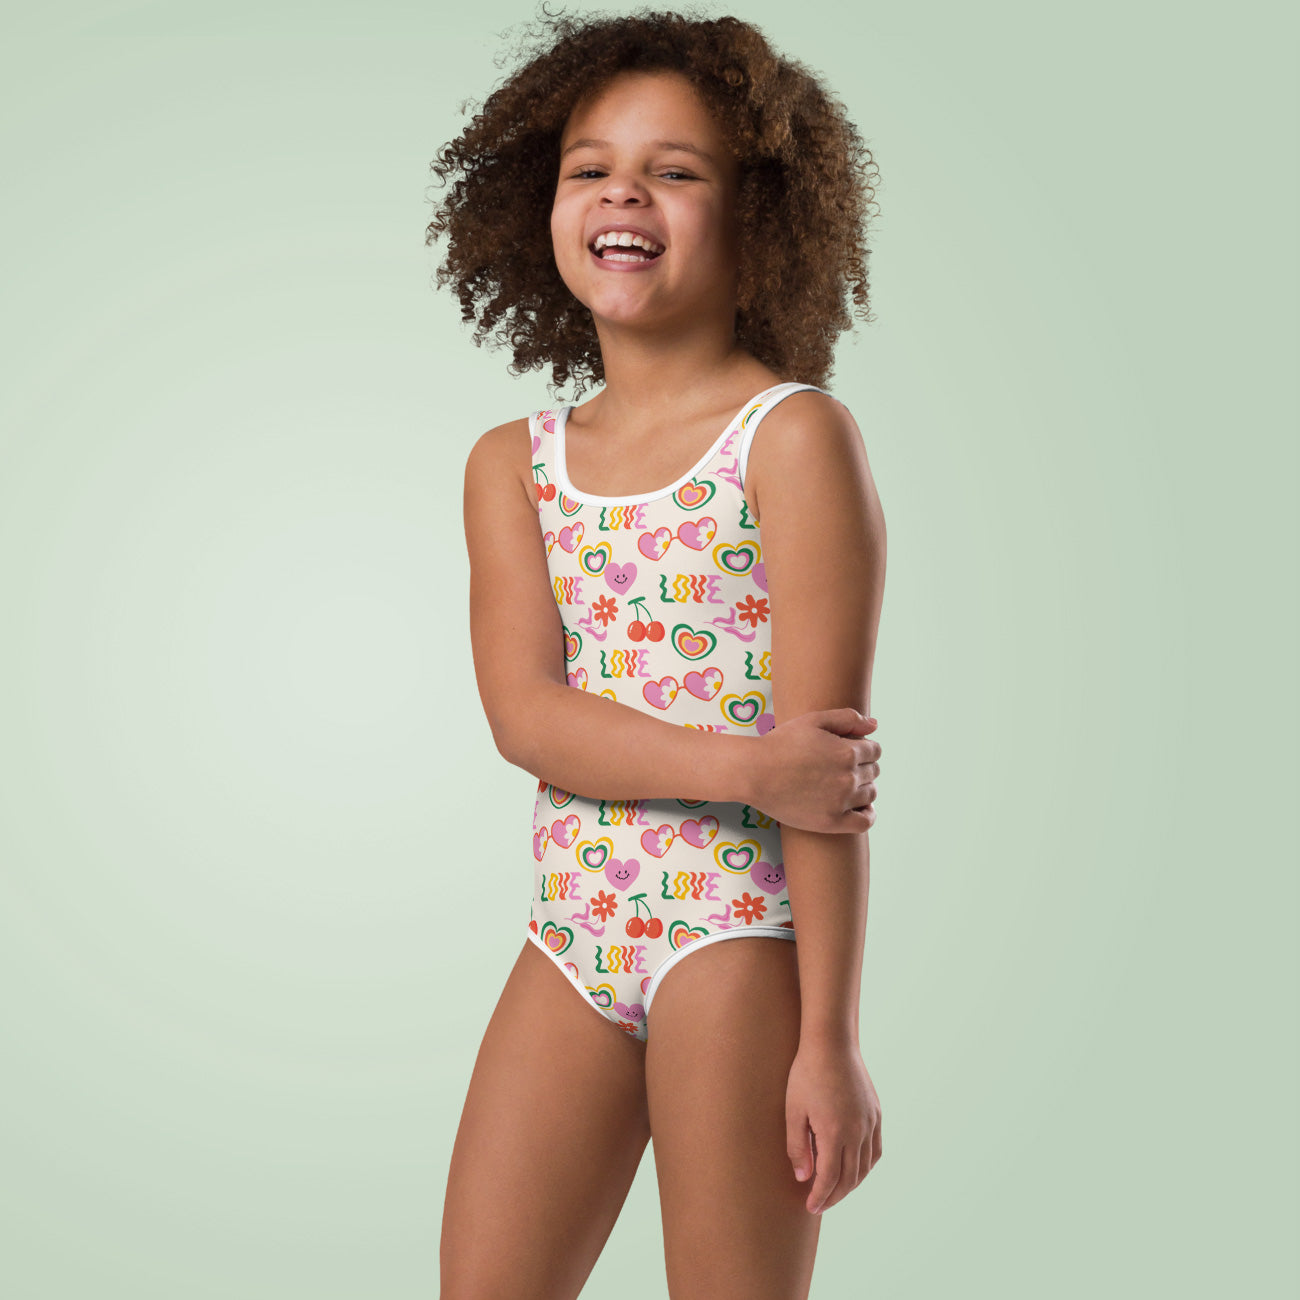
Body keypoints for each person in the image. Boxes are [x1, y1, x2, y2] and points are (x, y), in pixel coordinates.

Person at [426, 9, 886, 1297]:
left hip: (734, 935)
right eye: (591, 167)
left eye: (675, 170)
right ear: (543, 207)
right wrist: (748, 768)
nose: (624, 192)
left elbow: (826, 780)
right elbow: (527, 716)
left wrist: (830, 1041)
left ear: (761, 218)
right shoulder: (512, 465)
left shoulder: (791, 440)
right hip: (572, 929)